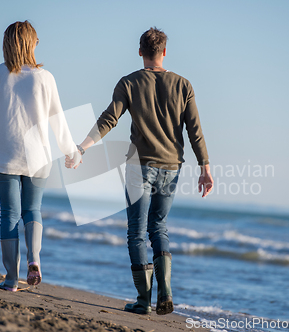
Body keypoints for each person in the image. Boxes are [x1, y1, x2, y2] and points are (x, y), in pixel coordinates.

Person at [66, 27, 214, 315]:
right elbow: (195, 131)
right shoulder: (184, 85)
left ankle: (144, 300)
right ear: (165, 52)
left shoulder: (129, 82)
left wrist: (81, 148)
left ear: (140, 52)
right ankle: (166, 292)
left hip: (140, 166)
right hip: (172, 167)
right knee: (159, 227)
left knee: (137, 232)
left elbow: (109, 118)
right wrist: (205, 168)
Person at [0, 21, 80, 292]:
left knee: (9, 215)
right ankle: (34, 259)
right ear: (31, 43)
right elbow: (58, 119)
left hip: (5, 154)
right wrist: (71, 151)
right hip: (39, 157)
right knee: (32, 210)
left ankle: (11, 279)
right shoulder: (45, 77)